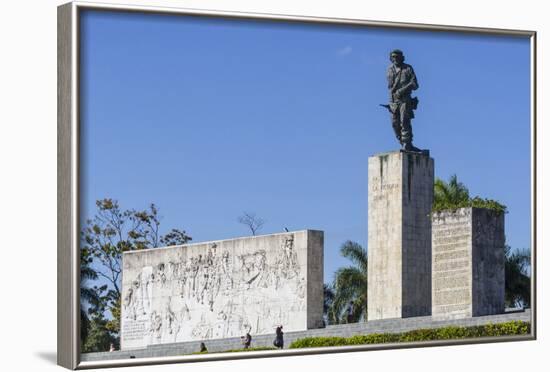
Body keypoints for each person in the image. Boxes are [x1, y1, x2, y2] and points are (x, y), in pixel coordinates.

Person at [385, 49, 420, 152]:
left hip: (405, 100)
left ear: (402, 57)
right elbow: (390, 87)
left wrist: (403, 90)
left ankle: (407, 144)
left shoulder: (408, 68)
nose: (395, 59)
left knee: (404, 121)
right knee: (394, 124)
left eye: (397, 56)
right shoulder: (389, 70)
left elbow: (415, 84)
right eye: (393, 57)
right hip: (393, 101)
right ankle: (404, 143)